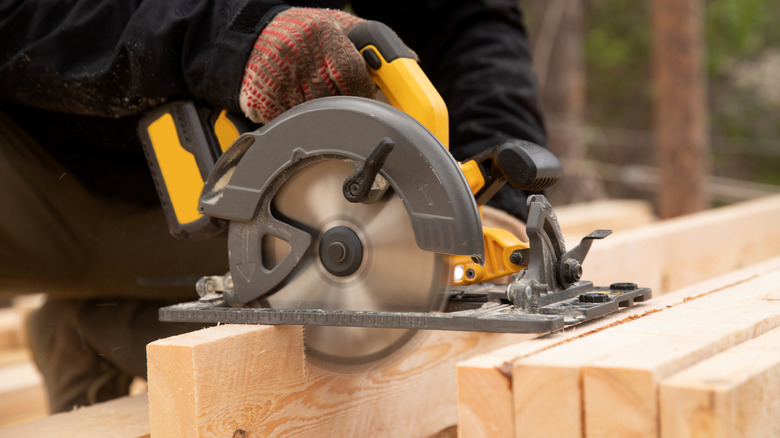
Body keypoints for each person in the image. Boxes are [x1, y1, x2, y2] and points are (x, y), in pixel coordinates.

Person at [0, 0, 547, 413]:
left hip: (193, 173)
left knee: (347, 309)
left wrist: (480, 193)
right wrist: (225, 39)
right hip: (27, 159)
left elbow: (464, 22)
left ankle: (99, 323)